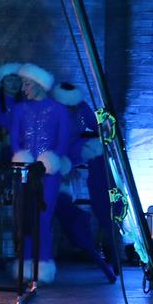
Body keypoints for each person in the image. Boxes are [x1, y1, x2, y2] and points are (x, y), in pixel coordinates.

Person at [8, 63, 75, 283]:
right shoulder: (19, 109)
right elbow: (15, 138)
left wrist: (50, 162)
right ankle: (25, 263)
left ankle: (43, 263)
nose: (23, 89)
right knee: (24, 216)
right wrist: (21, 157)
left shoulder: (59, 110)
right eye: (23, 84)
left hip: (48, 173)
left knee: (43, 217)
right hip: (26, 171)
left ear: (39, 85)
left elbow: (64, 141)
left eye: (27, 84)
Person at [51, 79, 120, 281]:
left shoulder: (81, 108)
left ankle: (111, 249)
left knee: (102, 196)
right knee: (59, 204)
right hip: (58, 155)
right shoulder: (52, 111)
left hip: (78, 152)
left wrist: (106, 124)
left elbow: (99, 128)